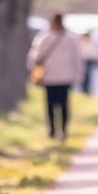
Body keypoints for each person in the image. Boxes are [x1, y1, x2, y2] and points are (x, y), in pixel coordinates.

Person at [27, 13, 84, 141]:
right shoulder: (70, 39)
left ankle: (52, 130)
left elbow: (34, 57)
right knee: (64, 104)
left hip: (49, 77)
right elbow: (77, 59)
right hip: (65, 77)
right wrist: (78, 75)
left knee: (50, 104)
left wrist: (33, 69)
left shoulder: (44, 37)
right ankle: (63, 130)